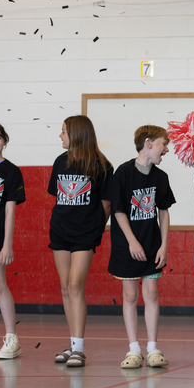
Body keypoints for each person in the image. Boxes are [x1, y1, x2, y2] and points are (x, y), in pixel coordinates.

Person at [49, 115, 113, 368]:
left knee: (75, 285)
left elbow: (106, 205)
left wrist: (94, 231)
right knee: (65, 288)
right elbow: (58, 198)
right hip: (60, 232)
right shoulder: (59, 162)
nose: (60, 135)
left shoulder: (102, 166)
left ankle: (79, 349)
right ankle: (72, 343)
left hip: (85, 235)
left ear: (76, 134)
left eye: (64, 131)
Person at [108, 125, 175, 369]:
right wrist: (132, 241)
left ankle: (152, 348)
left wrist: (164, 245)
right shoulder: (123, 173)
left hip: (152, 244)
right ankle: (134, 349)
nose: (166, 149)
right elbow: (118, 211)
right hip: (127, 245)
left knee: (152, 294)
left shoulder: (161, 177)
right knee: (130, 295)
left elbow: (163, 213)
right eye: (163, 144)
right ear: (148, 143)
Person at [0, 122, 25, 360]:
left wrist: (7, 244)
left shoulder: (11, 171)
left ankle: (12, 339)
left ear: (5, 141)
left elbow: (10, 212)